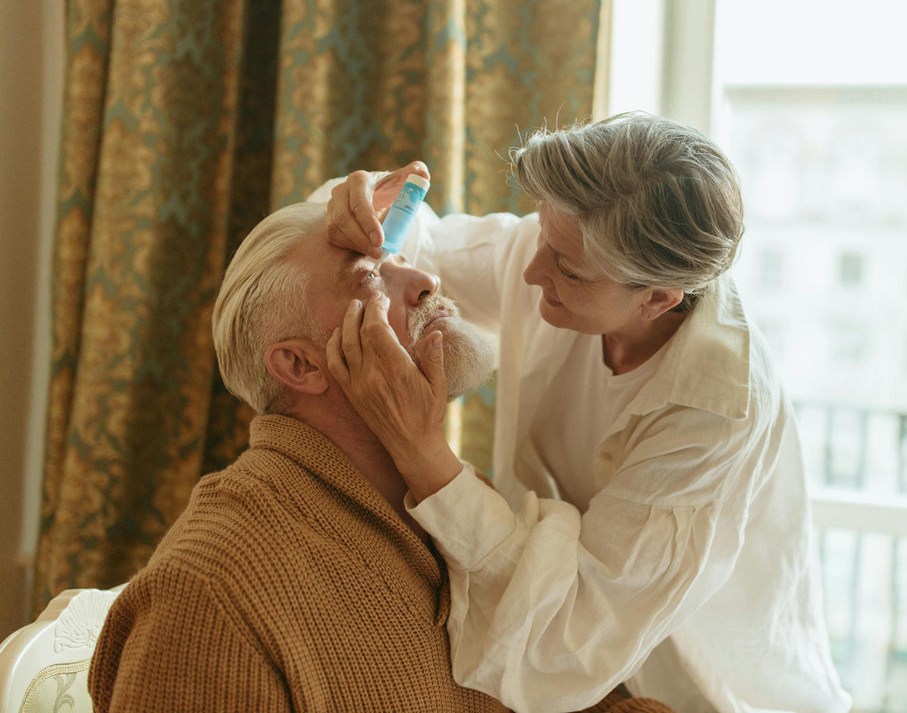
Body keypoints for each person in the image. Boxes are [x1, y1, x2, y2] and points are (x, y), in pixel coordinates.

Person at [315, 113, 852, 713]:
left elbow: (570, 639)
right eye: (545, 235)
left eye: (567, 269)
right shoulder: (560, 250)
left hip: (697, 691)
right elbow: (415, 250)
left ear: (657, 299)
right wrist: (356, 206)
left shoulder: (716, 412)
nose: (531, 271)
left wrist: (422, 451)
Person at [89, 201, 671, 713]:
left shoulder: (456, 505)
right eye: (370, 276)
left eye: (401, 260)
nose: (425, 279)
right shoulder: (212, 591)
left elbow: (571, 696)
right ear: (302, 366)